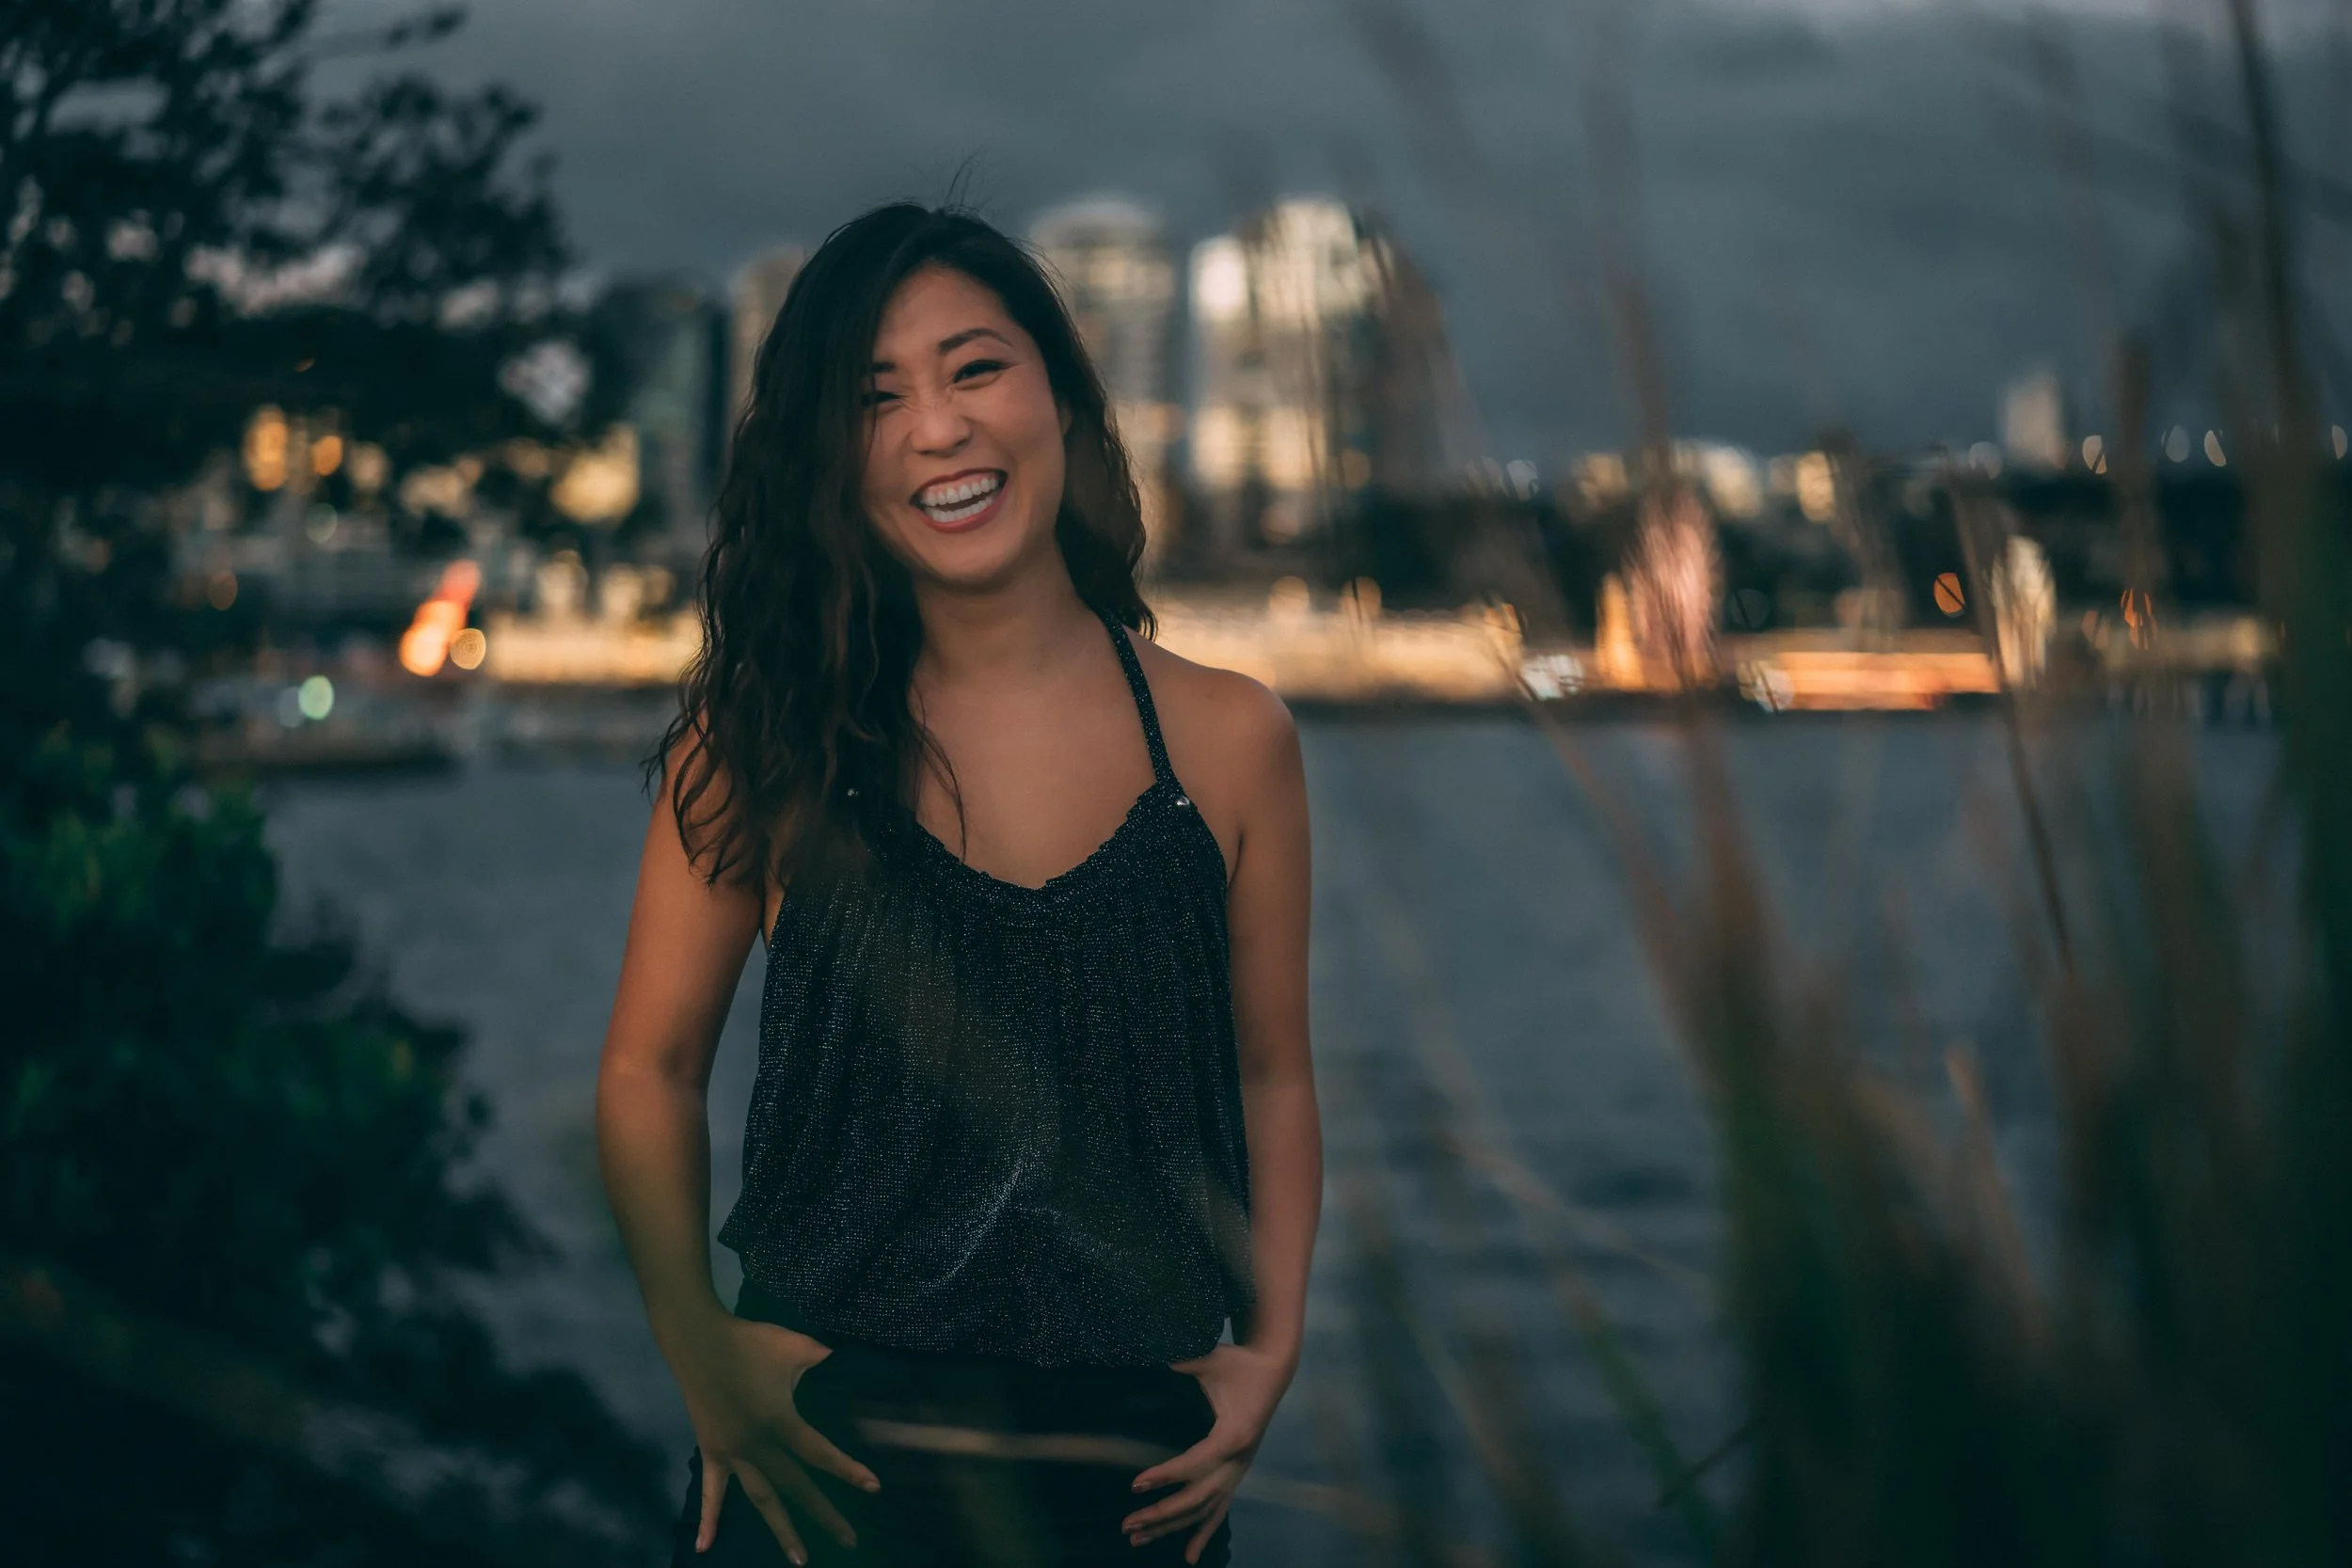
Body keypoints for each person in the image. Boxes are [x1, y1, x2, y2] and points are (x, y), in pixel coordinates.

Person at [595, 201, 1322, 1567]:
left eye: (975, 367)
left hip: (1134, 1481)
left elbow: (1276, 1070)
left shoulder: (1231, 739)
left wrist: (1272, 1346)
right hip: (828, 1463)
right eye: (878, 397)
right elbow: (649, 1067)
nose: (939, 428)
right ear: (828, 454)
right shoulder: (766, 739)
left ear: (1060, 388)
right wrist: (700, 1353)